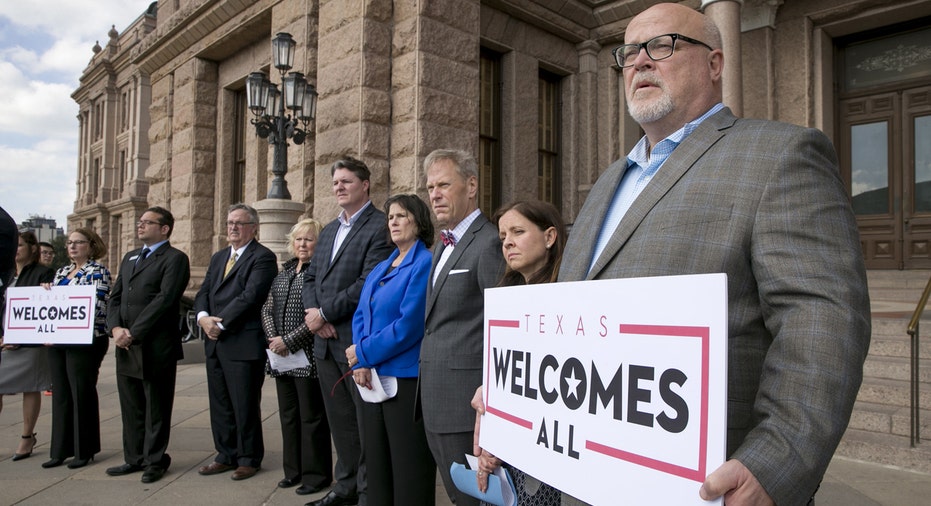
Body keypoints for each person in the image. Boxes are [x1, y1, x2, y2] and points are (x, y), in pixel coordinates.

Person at [557, 4, 871, 505]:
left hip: (707, 488)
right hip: (589, 474)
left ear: (715, 64)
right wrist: (515, 404)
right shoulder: (606, 183)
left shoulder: (780, 155)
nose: (640, 61)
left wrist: (775, 462)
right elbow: (566, 316)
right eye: (630, 52)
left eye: (663, 45)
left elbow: (820, 320)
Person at [302, 156, 393, 506]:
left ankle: (368, 493)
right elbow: (311, 277)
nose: (339, 187)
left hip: (356, 342)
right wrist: (315, 315)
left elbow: (366, 283)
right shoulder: (328, 230)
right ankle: (344, 487)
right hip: (324, 344)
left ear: (365, 184)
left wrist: (324, 313)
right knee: (340, 423)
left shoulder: (380, 226)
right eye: (336, 182)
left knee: (365, 422)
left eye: (346, 181)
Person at [419, 149, 505, 506]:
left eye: (443, 185)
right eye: (429, 187)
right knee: (458, 497)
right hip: (434, 396)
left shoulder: (488, 243)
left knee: (476, 499)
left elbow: (502, 325)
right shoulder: (442, 244)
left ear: (471, 186)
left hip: (465, 404)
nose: (434, 195)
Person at [469, 201, 565, 506]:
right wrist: (488, 393)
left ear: (550, 237)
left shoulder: (569, 300)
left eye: (518, 231)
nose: (507, 241)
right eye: (502, 236)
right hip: (505, 455)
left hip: (547, 455)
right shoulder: (505, 301)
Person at [346, 194, 437, 505]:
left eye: (401, 216)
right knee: (378, 466)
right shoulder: (383, 265)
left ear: (419, 221)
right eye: (390, 218)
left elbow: (407, 326)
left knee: (408, 468)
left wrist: (363, 353)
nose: (394, 222)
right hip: (371, 378)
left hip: (404, 380)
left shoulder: (424, 263)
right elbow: (361, 313)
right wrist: (359, 359)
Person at [105, 207, 191, 483]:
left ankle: (155, 460)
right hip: (125, 344)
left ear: (164, 229)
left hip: (155, 346)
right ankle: (134, 458)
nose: (140, 225)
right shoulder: (130, 257)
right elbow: (115, 297)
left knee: (156, 406)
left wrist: (134, 332)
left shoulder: (175, 259)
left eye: (147, 222)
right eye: (140, 222)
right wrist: (116, 328)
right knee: (131, 405)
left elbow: (165, 300)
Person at [194, 203, 278, 481]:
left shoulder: (263, 257)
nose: (233, 227)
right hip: (215, 341)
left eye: (239, 223)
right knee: (220, 403)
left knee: (244, 404)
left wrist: (218, 323)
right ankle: (225, 454)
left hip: (242, 343)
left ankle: (248, 458)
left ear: (253, 228)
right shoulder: (219, 257)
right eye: (230, 222)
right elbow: (204, 290)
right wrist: (203, 318)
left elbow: (250, 296)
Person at [263, 218, 333, 496]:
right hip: (281, 358)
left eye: (308, 239)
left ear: (318, 243)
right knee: (288, 416)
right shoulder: (284, 273)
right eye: (298, 239)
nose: (302, 244)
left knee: (311, 418)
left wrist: (289, 341)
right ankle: (293, 471)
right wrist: (274, 340)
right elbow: (267, 308)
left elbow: (316, 317)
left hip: (308, 359)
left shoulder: (319, 274)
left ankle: (316, 476)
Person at [43, 227, 111, 469]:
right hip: (58, 340)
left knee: (81, 392)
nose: (72, 246)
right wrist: (46, 293)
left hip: (87, 340)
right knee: (61, 394)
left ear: (91, 246)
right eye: (70, 243)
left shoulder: (98, 271)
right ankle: (60, 450)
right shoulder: (61, 271)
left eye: (78, 242)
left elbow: (98, 304)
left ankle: (85, 449)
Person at [0, 231, 54, 461]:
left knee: (30, 387)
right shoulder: (6, 273)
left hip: (29, 343)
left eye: (20, 245)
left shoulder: (43, 273)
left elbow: (43, 308)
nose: (16, 249)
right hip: (3, 340)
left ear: (32, 248)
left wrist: (48, 289)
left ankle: (26, 436)